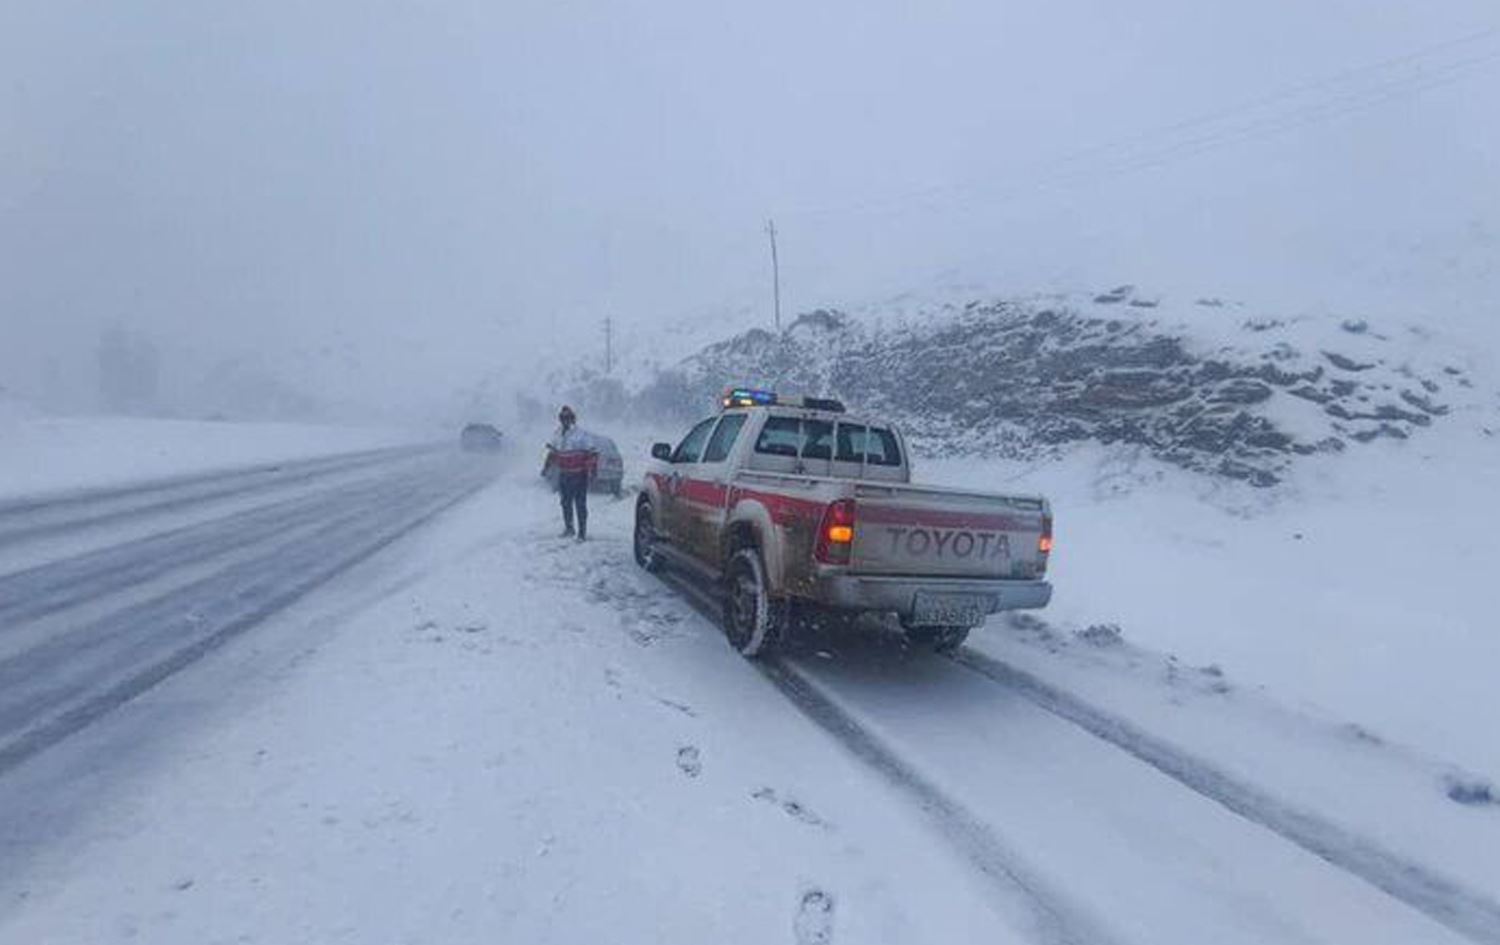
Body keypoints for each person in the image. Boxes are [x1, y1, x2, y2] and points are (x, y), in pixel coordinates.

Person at [544, 405, 597, 540]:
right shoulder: (557, 434)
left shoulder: (581, 435)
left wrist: (592, 470)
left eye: (568, 418)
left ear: (573, 419)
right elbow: (552, 452)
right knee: (565, 502)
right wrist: (546, 467)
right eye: (562, 418)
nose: (565, 420)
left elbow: (593, 454)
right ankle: (569, 528)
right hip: (564, 474)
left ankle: (582, 533)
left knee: (580, 504)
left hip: (579, 475)